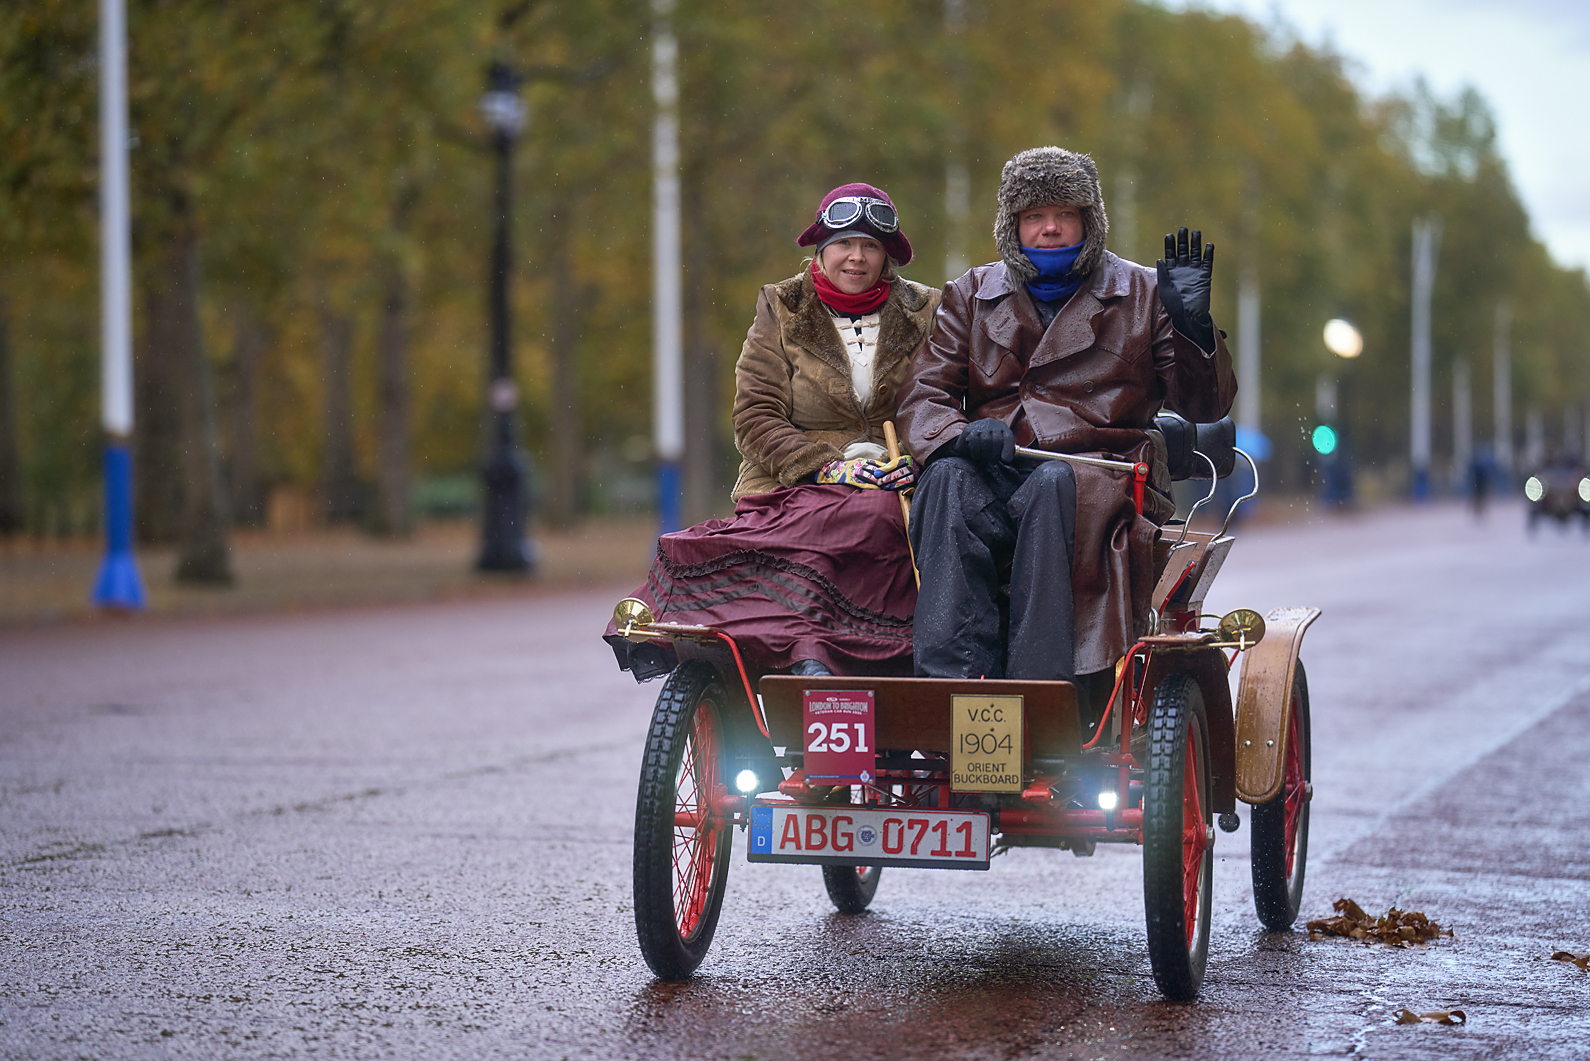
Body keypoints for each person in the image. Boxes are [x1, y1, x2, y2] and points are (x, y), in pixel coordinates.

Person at [897, 147, 1237, 685]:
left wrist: (1194, 327)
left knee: (1055, 480)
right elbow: (923, 394)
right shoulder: (970, 293)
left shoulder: (1145, 292)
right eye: (1034, 216)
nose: (1050, 228)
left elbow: (1203, 407)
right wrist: (959, 436)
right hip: (998, 471)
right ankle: (950, 687)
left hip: (1103, 478)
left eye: (1065, 214)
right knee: (944, 478)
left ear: (1090, 220)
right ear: (1014, 226)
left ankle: (1042, 689)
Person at [606, 183, 942, 680]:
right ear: (821, 248)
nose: (857, 257)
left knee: (886, 515)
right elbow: (755, 416)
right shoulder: (780, 305)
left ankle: (859, 654)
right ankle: (807, 651)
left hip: (899, 478)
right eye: (845, 242)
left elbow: (946, 398)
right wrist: (829, 468)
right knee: (857, 517)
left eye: (871, 245)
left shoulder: (929, 309)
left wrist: (916, 460)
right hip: (795, 481)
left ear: (887, 255)